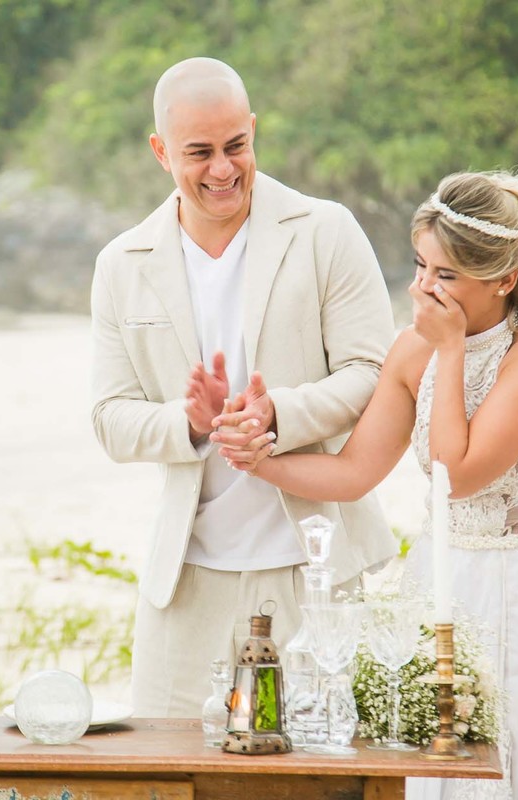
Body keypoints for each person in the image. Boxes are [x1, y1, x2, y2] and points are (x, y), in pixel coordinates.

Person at [223, 170, 518, 798]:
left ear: (504, 280)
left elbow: (454, 474)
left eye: (446, 276)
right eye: (419, 265)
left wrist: (452, 351)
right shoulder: (412, 351)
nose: (420, 287)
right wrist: (257, 458)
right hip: (440, 579)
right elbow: (354, 474)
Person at [90, 56, 397, 718]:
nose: (224, 169)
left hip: (313, 570)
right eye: (199, 153)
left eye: (237, 146)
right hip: (184, 583)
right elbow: (110, 419)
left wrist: (277, 416)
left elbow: (373, 374)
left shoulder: (326, 231)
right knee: (168, 780)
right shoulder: (121, 264)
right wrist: (191, 423)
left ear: (254, 129)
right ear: (159, 152)